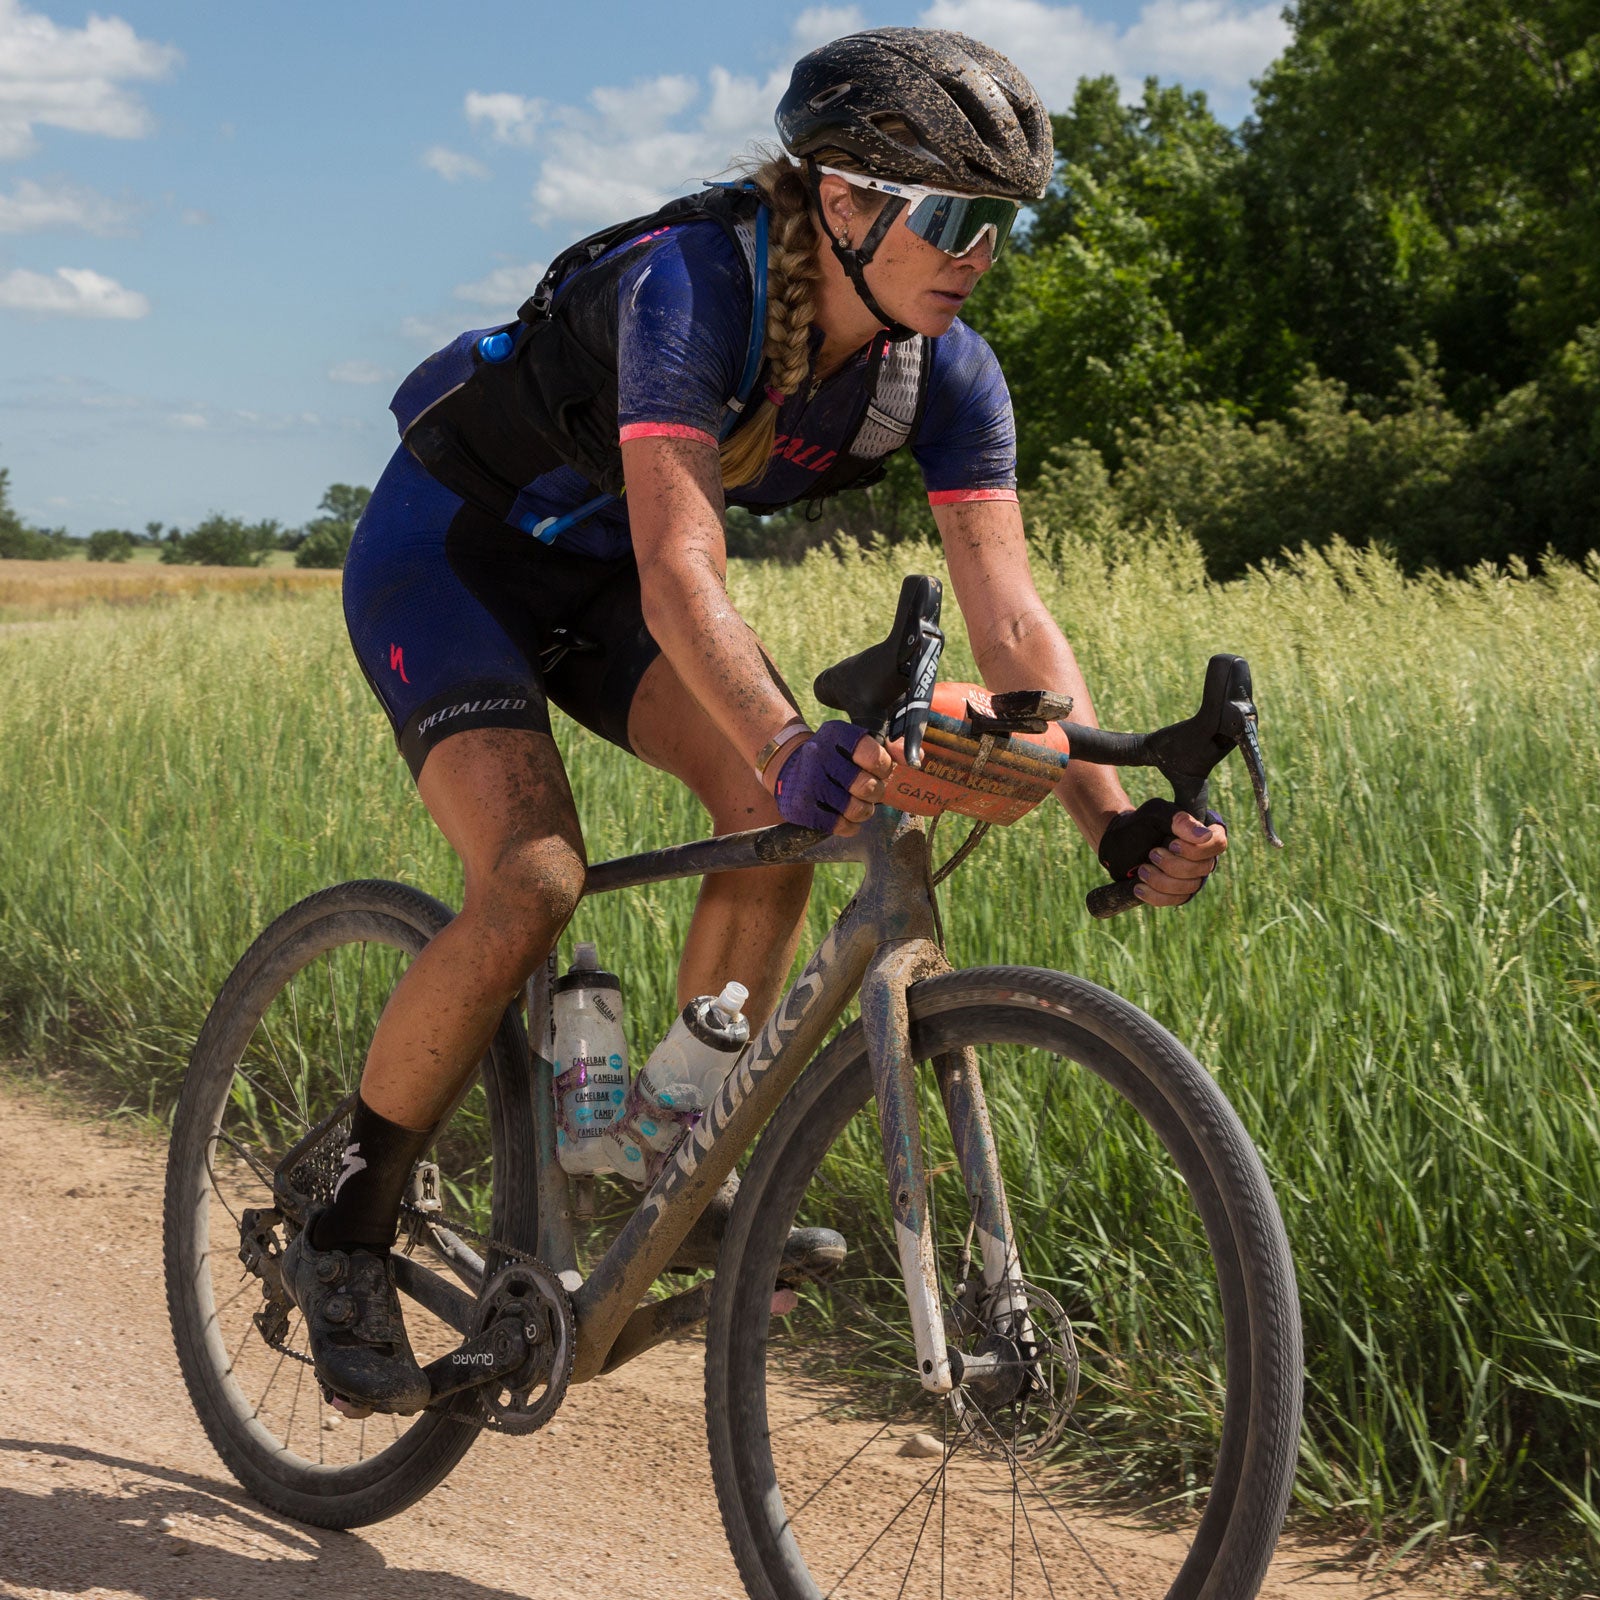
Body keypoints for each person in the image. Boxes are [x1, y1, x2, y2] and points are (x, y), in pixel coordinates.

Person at [282, 26, 1228, 1415]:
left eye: (1003, 228)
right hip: (455, 554)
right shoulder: (692, 286)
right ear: (842, 201)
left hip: (605, 589)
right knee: (533, 876)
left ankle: (665, 1145)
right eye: (954, 216)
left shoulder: (944, 370)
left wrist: (1117, 811)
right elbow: (682, 570)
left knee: (783, 820)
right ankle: (345, 1230)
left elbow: (1013, 623)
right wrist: (789, 738)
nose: (977, 255)